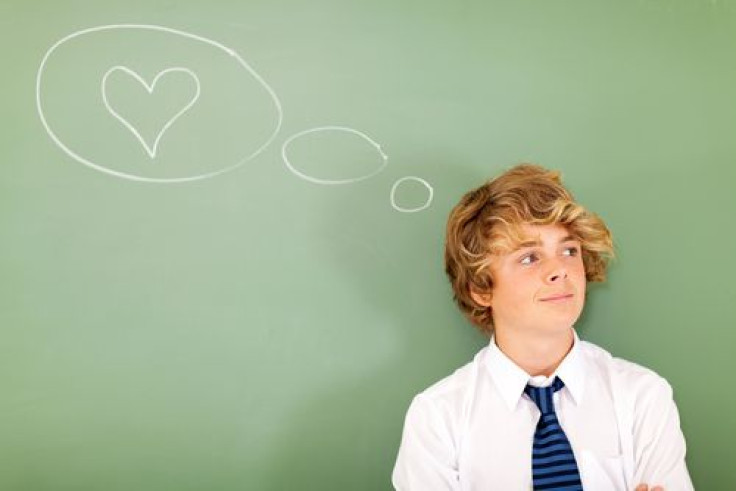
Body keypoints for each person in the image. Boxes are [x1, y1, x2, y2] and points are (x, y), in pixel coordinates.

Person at [392, 164, 694, 490]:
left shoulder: (642, 397)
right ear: (480, 288)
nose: (560, 271)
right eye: (529, 257)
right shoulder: (438, 418)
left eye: (568, 251)